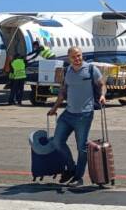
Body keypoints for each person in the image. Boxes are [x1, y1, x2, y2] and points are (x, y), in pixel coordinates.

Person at [48, 47, 105, 186]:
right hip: (68, 113)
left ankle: (78, 177)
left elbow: (102, 84)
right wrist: (55, 108)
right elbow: (63, 91)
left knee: (81, 147)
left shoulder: (91, 69)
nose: (77, 59)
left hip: (84, 115)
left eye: (79, 55)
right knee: (57, 142)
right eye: (74, 57)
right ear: (69, 58)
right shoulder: (67, 71)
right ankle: (71, 168)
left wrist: (103, 95)